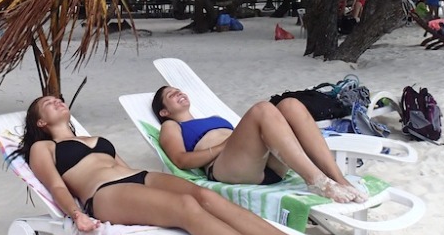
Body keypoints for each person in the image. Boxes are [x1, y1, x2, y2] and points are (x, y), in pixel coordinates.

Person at [17, 97, 344, 235]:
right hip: (104, 194)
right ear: (40, 123)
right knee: (186, 207)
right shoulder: (43, 148)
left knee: (205, 196)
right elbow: (56, 186)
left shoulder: (95, 138)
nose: (56, 101)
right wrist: (76, 215)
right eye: (48, 103)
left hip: (136, 178)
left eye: (57, 98)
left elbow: (124, 167)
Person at [154, 86, 366, 204]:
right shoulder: (171, 126)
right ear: (164, 112)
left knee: (290, 105)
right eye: (171, 95)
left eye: (179, 90)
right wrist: (222, 147)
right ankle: (318, 181)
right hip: (227, 168)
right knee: (262, 109)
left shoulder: (214, 118)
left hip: (263, 165)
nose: (179, 93)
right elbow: (180, 160)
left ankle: (338, 179)